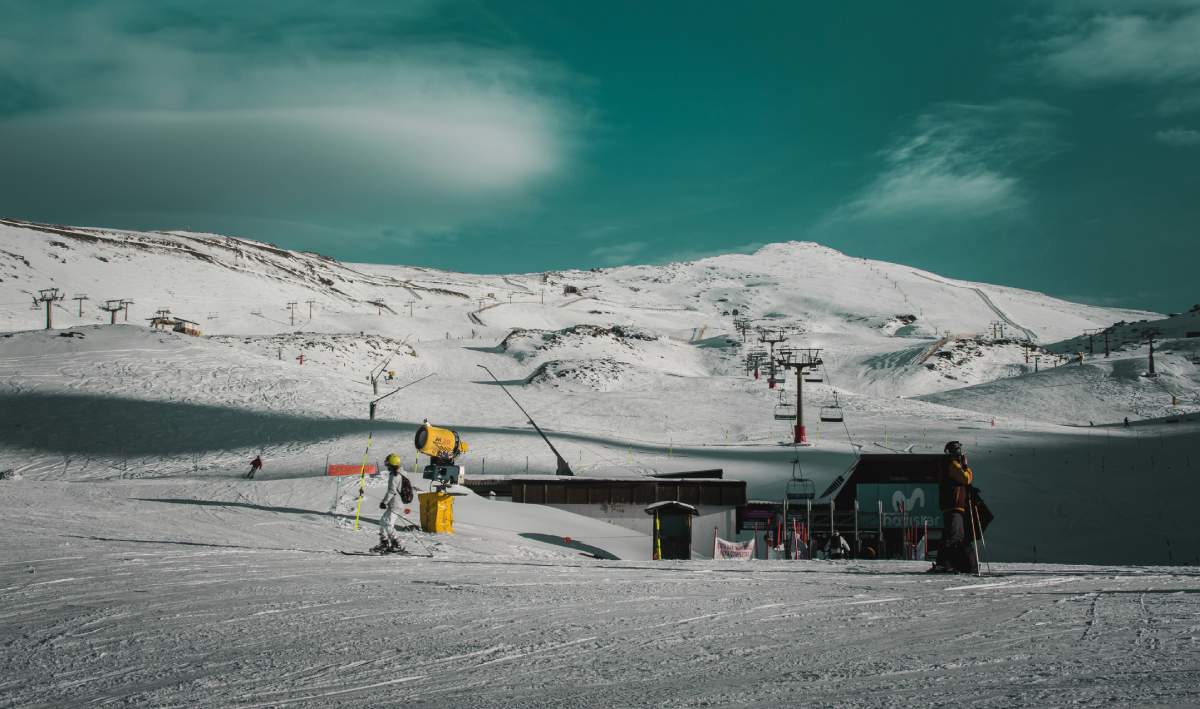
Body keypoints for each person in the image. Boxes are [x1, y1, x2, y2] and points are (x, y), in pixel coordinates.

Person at [932, 441, 978, 574]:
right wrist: (966, 466)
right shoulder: (952, 464)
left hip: (951, 506)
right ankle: (949, 564)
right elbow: (966, 479)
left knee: (949, 536)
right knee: (955, 537)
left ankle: (944, 563)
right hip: (954, 505)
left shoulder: (947, 464)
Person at [372, 453, 412, 553]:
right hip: (395, 503)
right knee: (383, 522)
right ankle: (384, 543)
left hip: (396, 504)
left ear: (391, 464)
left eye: (387, 463)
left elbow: (391, 491)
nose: (387, 465)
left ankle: (397, 544)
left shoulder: (395, 476)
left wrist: (384, 502)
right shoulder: (401, 473)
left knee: (388, 524)